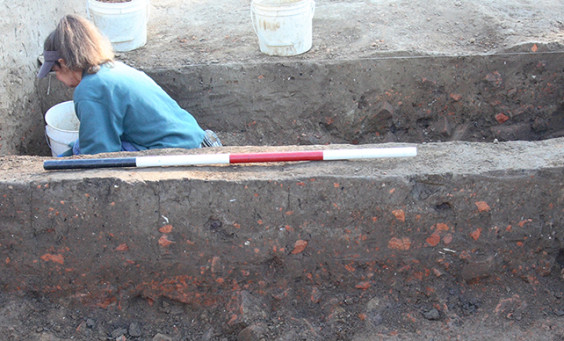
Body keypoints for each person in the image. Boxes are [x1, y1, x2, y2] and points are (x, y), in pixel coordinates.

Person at [38, 14, 221, 156]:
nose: (59, 80)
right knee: (78, 147)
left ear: (63, 63)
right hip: (193, 138)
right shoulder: (112, 69)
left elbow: (99, 154)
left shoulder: (91, 89)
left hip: (176, 152)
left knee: (82, 157)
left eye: (56, 72)